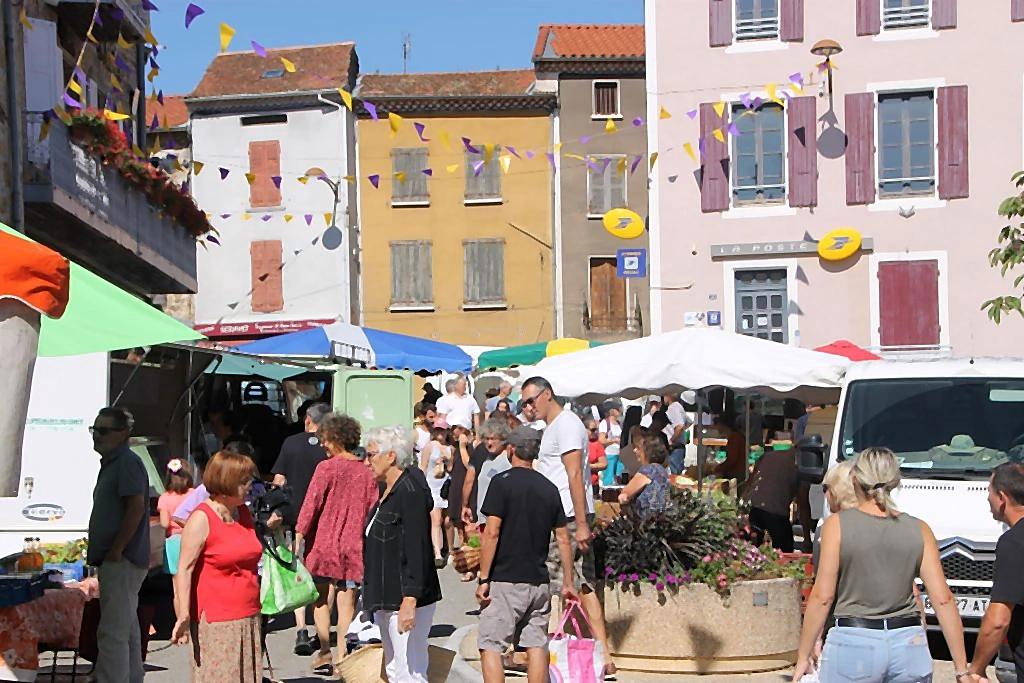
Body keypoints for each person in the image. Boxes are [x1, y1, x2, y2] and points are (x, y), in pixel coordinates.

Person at [793, 448, 972, 683]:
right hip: (908, 641)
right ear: (895, 481)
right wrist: (961, 669)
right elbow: (943, 600)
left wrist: (803, 655)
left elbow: (822, 597)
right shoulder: (919, 529)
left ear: (855, 479)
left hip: (854, 640)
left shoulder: (837, 526)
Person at [519, 377, 615, 678]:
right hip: (560, 516)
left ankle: (598, 653)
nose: (528, 407)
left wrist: (583, 523)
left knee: (573, 584)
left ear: (547, 394)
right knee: (573, 584)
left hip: (569, 517)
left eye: (531, 400)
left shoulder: (567, 424)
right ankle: (592, 653)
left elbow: (574, 474)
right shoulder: (552, 427)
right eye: (524, 403)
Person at [475, 427, 577, 683]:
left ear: (511, 450)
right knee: (536, 645)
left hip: (506, 579)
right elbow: (563, 538)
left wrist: (484, 578)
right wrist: (568, 581)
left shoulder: (502, 483)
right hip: (538, 580)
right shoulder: (549, 488)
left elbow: (492, 532)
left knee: (491, 645)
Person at [295, 413, 379, 672]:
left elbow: (312, 504)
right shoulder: (366, 471)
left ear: (336, 438)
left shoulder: (326, 468)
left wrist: (299, 534)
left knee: (320, 599)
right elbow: (373, 508)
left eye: (325, 439)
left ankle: (324, 651)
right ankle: (343, 655)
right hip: (353, 545)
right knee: (347, 603)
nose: (322, 444)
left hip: (323, 543)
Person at [172, 450, 263, 683]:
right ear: (226, 482)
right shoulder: (201, 518)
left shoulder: (242, 513)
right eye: (244, 481)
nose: (250, 486)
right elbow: (184, 569)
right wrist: (183, 613)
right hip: (217, 621)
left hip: (248, 614)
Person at [364, 426, 443, 683]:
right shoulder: (388, 490)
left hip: (404, 596)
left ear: (391, 456)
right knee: (394, 669)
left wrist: (410, 598)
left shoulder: (409, 492)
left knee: (409, 671)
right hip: (387, 594)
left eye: (371, 455)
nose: (367, 462)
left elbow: (417, 547)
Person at [87, 407, 151, 683]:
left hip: (122, 559)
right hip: (120, 558)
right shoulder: (116, 462)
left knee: (112, 632)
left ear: (123, 433)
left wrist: (116, 549)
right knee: (126, 629)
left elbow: (135, 508)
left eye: (103, 430)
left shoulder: (126, 462)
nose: (97, 436)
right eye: (95, 430)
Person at [270, 402, 330, 656]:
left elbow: (279, 480)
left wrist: (276, 508)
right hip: (323, 517)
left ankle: (301, 628)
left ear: (307, 419)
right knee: (323, 573)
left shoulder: (291, 443)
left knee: (296, 567)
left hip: (295, 516)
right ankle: (322, 628)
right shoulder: (330, 447)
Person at [970, 462, 1024, 681]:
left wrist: (976, 669)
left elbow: (998, 620)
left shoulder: (1014, 542)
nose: (987, 499)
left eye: (989, 492)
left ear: (1002, 498)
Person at [743, 437, 800, 553]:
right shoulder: (798, 465)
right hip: (776, 513)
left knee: (752, 549)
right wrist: (808, 539)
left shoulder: (767, 456)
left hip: (756, 507)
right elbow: (803, 502)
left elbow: (750, 481)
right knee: (785, 551)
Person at [461, 417, 514, 531]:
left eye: (493, 439)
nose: (489, 443)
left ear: (503, 439)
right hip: (483, 521)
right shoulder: (487, 460)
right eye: (486, 439)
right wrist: (466, 505)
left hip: (499, 523)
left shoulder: (509, 460)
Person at [420, 426, 454, 568]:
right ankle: (437, 553)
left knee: (448, 521)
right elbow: (423, 467)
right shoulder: (429, 446)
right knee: (436, 519)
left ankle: (450, 549)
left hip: (446, 487)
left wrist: (447, 461)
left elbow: (452, 468)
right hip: (432, 486)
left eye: (443, 430)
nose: (441, 434)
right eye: (438, 430)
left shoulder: (451, 448)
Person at [617, 432, 670, 517]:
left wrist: (623, 497)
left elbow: (627, 492)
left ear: (648, 452)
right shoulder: (662, 471)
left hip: (644, 519)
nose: (634, 450)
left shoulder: (649, 470)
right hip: (659, 518)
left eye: (638, 448)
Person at [159, 459, 195, 536]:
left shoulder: (164, 498)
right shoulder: (194, 494)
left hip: (173, 538)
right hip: (192, 535)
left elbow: (165, 524)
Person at [662, 394, 692, 475]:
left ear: (668, 396)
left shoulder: (673, 408)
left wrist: (672, 440)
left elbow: (679, 426)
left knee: (673, 475)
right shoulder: (679, 406)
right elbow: (688, 422)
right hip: (679, 446)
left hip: (674, 447)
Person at [598, 407, 623, 485]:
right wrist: (614, 440)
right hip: (609, 455)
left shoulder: (618, 423)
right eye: (616, 409)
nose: (619, 410)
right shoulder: (605, 423)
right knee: (608, 479)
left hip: (619, 455)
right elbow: (601, 440)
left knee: (618, 479)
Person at [585, 419, 608, 498]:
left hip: (593, 484)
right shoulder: (576, 443)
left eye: (596, 430)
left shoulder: (596, 443)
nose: (595, 432)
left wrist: (588, 466)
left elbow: (604, 464)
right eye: (592, 430)